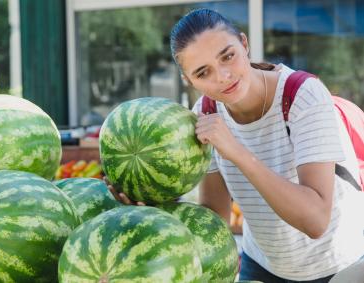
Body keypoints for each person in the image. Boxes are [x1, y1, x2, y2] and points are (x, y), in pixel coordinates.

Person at [108, 8, 364, 283]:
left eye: (227, 56)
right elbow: (216, 218)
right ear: (188, 80)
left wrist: (237, 152)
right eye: (203, 72)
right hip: (262, 265)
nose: (223, 76)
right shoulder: (205, 113)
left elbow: (316, 222)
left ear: (244, 44)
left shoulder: (304, 96)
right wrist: (152, 208)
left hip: (338, 265)